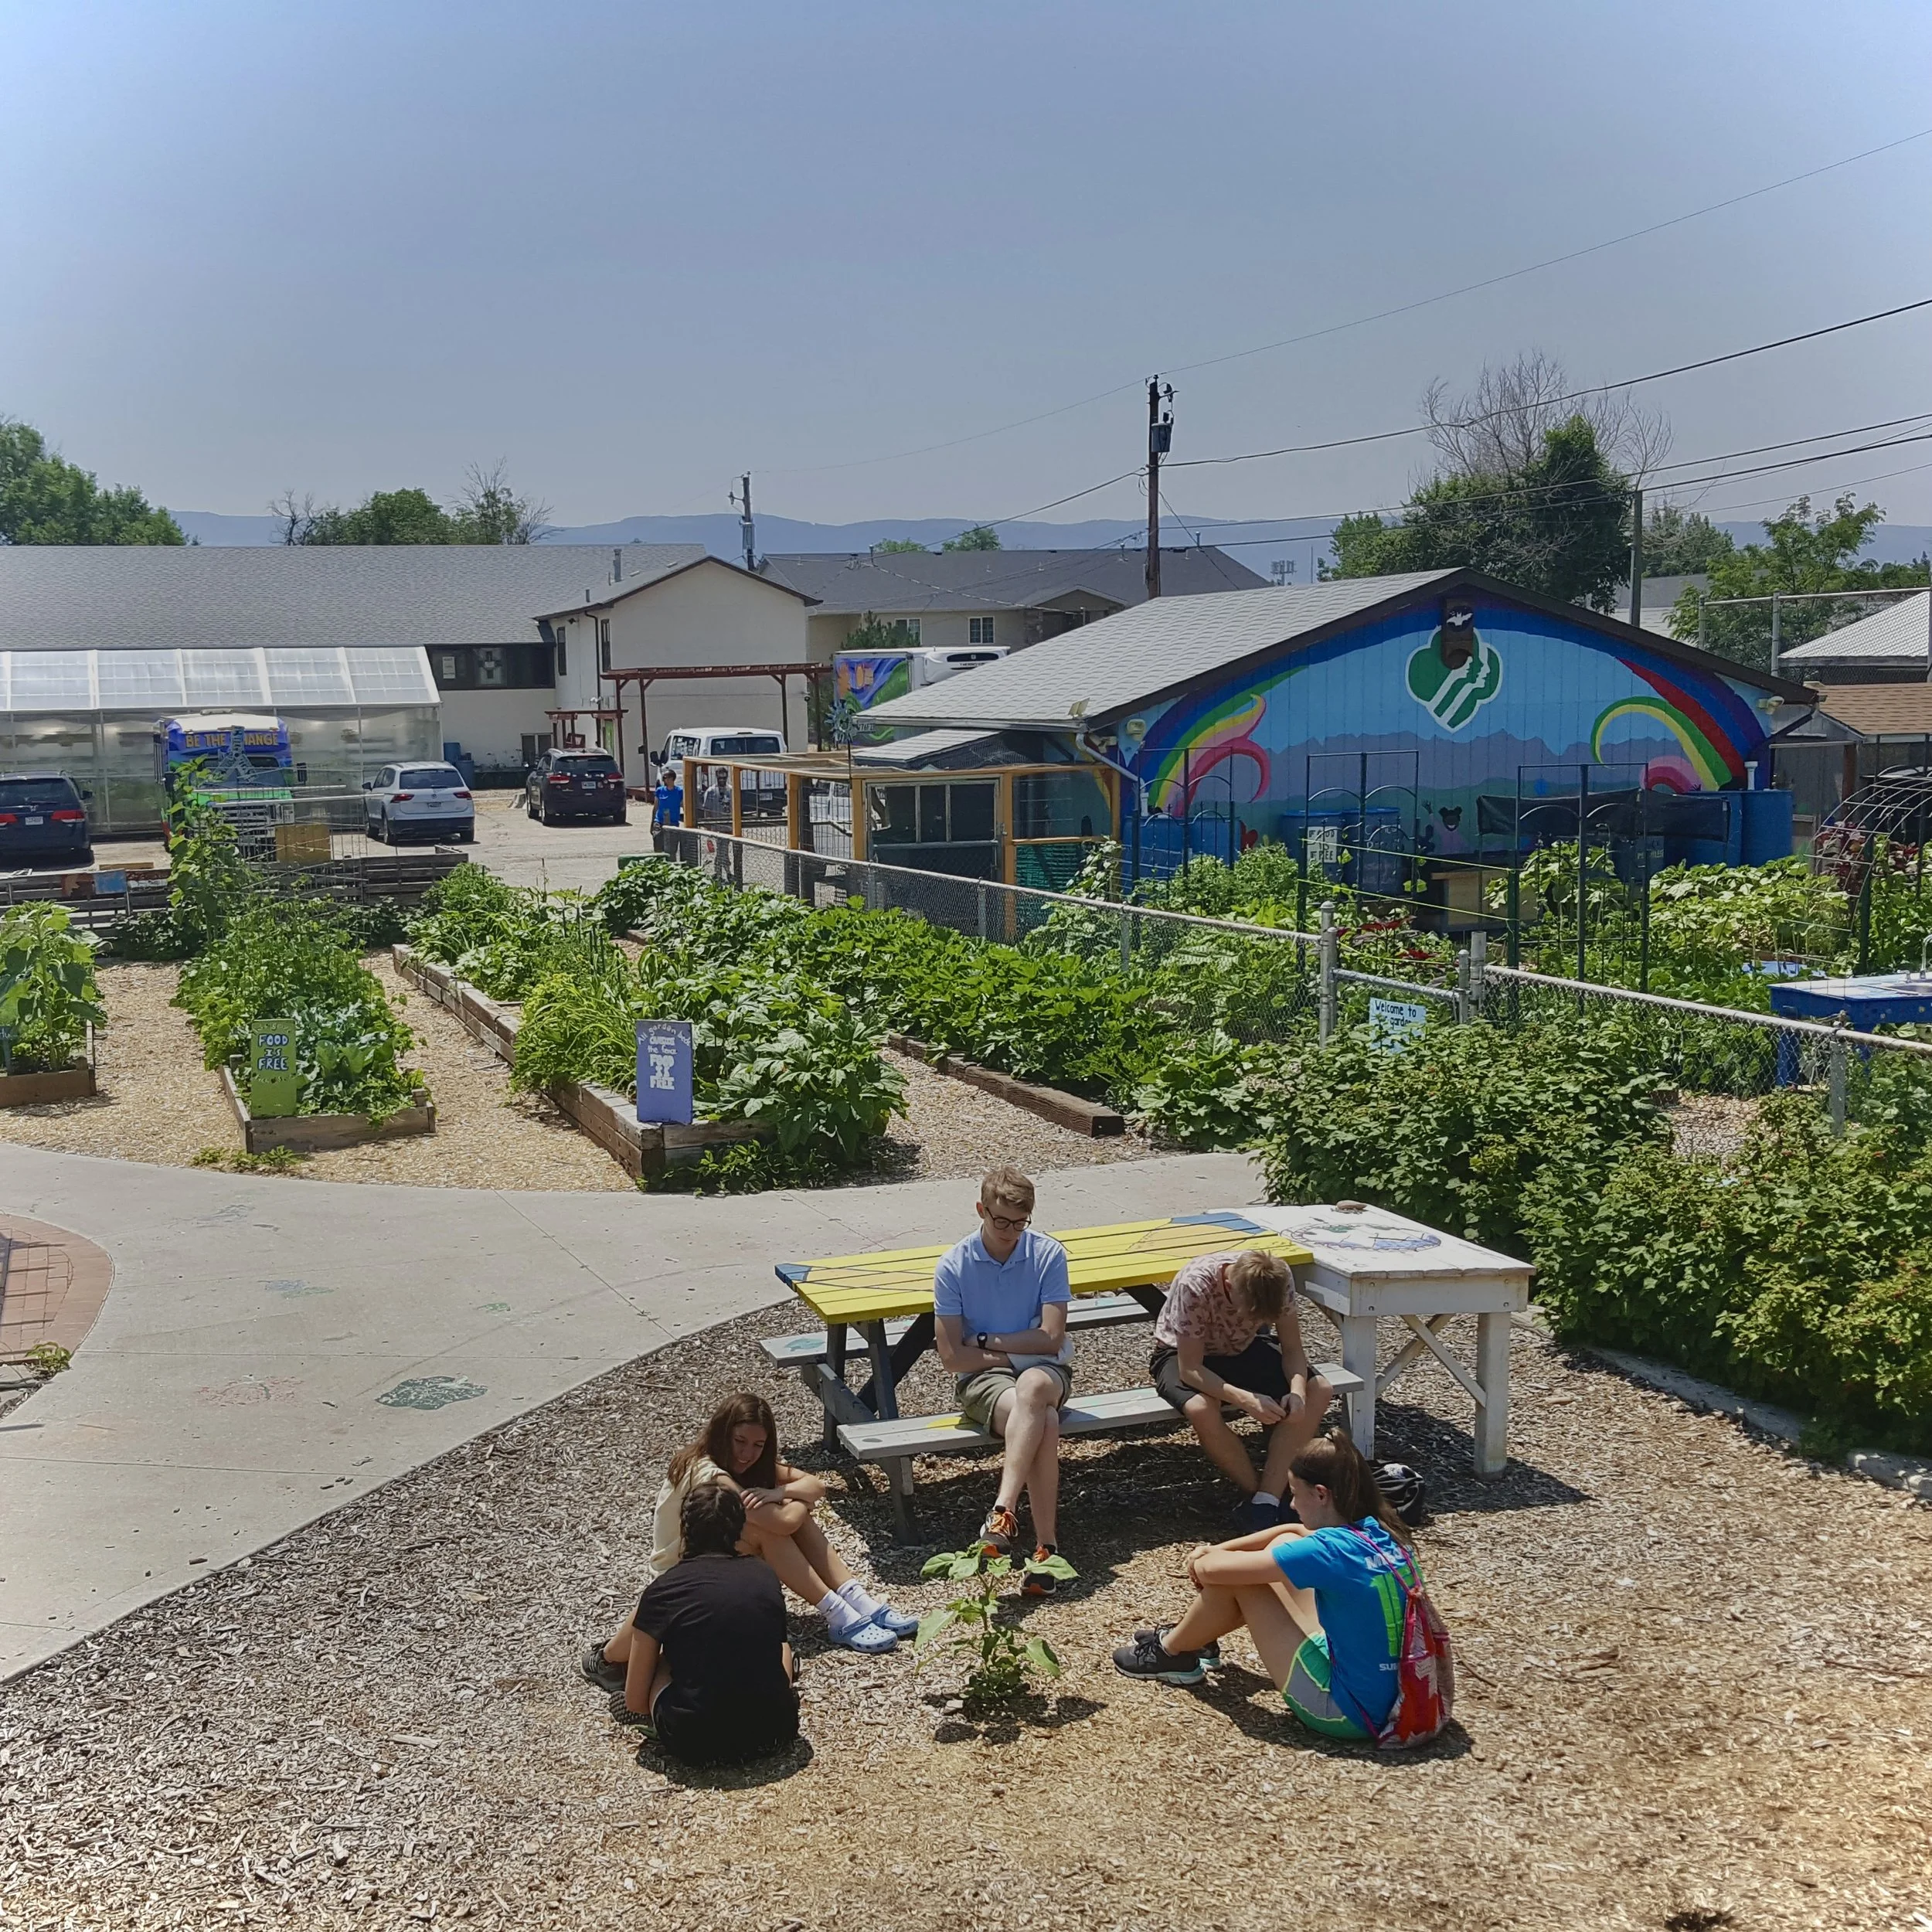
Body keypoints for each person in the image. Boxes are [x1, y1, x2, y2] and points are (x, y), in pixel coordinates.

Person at [1110, 1427, 1426, 1745]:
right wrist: (1219, 1549)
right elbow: (1293, 1530)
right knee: (1280, 1543)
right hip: (1401, 1698)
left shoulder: (1325, 1551)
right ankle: (1195, 1637)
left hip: (1349, 1714)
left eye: (1294, 1492)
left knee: (1243, 1580)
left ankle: (1172, 1652)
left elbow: (1213, 1571)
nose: (1291, 1504)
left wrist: (1203, 1558)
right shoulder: (1380, 1531)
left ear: (1320, 1493)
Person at [620, 1390, 913, 1655]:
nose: (748, 1454)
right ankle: (837, 1613)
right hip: (681, 1570)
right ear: (723, 1433)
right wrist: (799, 1502)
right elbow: (784, 1523)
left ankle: (858, 1601)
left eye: (758, 1445)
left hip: (717, 1557)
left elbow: (816, 1485)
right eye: (740, 1442)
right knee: (764, 1527)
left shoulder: (751, 1464)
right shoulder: (709, 1472)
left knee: (782, 1515)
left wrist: (781, 1492)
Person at [932, 1166, 1074, 1595]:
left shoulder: (1048, 1254)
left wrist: (985, 1340)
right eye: (1001, 1221)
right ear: (981, 1209)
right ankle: (1046, 1550)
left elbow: (1051, 1339)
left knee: (1033, 1388)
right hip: (983, 1379)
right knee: (1043, 1422)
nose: (1011, 1231)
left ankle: (1002, 1510)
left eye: (1020, 1222)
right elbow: (953, 1358)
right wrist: (1015, 1351)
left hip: (1045, 1373)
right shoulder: (954, 1265)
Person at [597, 1481, 801, 1764]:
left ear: (685, 1529)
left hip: (692, 1738)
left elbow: (635, 1700)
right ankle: (771, 1691)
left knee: (663, 1656)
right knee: (782, 1648)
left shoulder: (665, 1589)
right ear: (740, 1529)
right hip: (773, 1730)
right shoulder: (764, 1576)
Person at [1151, 1247, 1332, 1531]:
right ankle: (1256, 1494)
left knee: (1318, 1388)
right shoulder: (1196, 1283)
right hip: (1181, 1354)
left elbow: (1293, 1350)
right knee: (1200, 1407)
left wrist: (1297, 1392)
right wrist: (1246, 1399)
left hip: (1244, 1349)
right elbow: (1191, 1370)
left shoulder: (1279, 1277)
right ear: (1230, 1288)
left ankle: (1266, 1501)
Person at [651, 766, 683, 850]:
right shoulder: (660, 791)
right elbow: (655, 807)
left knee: (672, 847)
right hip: (659, 822)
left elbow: (684, 806)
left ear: (672, 778)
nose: (665, 780)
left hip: (673, 823)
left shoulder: (679, 791)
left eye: (666, 778)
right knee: (658, 844)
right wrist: (652, 823)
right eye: (664, 778)